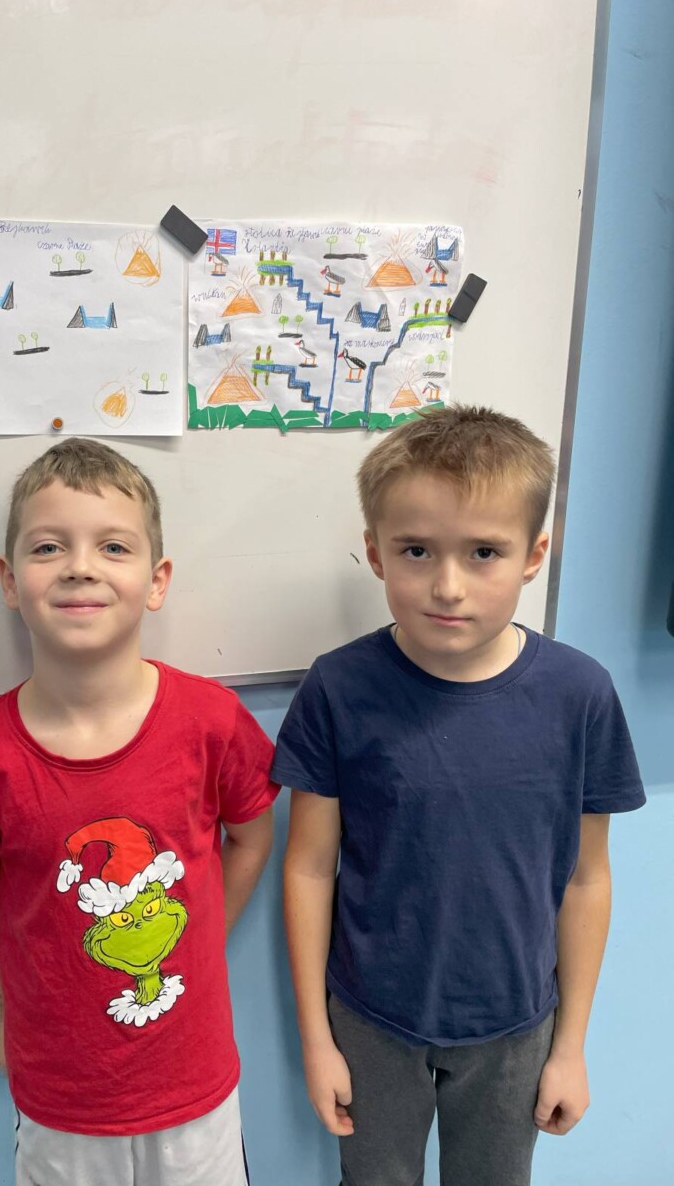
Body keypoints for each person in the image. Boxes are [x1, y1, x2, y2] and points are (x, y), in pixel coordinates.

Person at [274, 405, 645, 1186]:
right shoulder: (338, 688)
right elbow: (308, 868)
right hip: (371, 1021)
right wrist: (317, 1038)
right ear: (376, 553)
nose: (448, 586)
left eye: (484, 552)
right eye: (416, 550)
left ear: (534, 555)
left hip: (515, 1026)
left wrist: (570, 1047)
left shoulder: (580, 695)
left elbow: (586, 878)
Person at [0, 438, 277, 1186]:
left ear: (157, 580)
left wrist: (202, 936)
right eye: (48, 547)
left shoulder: (211, 722)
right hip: (59, 1101)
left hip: (195, 1089)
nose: (80, 566)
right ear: (10, 580)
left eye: (112, 546)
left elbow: (251, 838)